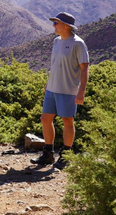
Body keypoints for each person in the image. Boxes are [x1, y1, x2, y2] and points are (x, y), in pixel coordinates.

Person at [31, 12, 89, 170]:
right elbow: (55, 64)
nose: (53, 26)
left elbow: (84, 68)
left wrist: (81, 91)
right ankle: (48, 153)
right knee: (45, 118)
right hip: (52, 88)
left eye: (56, 23)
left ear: (67, 26)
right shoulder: (56, 42)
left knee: (67, 121)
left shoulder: (78, 43)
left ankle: (66, 155)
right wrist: (48, 84)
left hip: (68, 90)